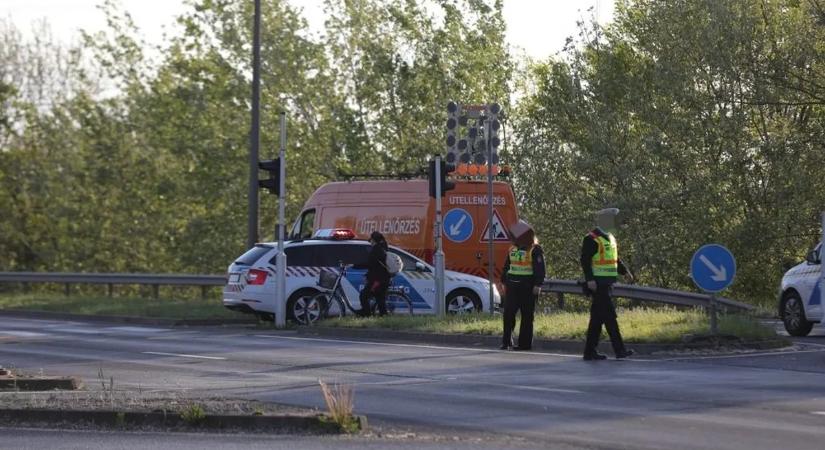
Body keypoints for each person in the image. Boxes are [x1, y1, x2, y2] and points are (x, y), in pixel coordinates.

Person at [581, 208, 635, 360]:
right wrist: (590, 279)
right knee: (610, 317)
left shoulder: (610, 238)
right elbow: (585, 261)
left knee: (597, 320)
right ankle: (620, 350)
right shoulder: (591, 238)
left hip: (607, 283)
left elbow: (615, 259)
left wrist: (625, 272)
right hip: (597, 284)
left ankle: (589, 352)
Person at [500, 220, 546, 351]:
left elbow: (540, 268)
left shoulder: (535, 249)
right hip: (512, 287)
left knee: (527, 317)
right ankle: (506, 341)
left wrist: (538, 284)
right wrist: (503, 281)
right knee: (508, 314)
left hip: (527, 287)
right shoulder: (512, 249)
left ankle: (524, 344)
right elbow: (506, 266)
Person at [359, 231, 390, 317]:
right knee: (380, 299)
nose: (370, 242)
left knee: (363, 295)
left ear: (374, 240)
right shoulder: (384, 248)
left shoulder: (377, 250)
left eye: (371, 240)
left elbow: (370, 264)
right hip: (383, 279)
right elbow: (377, 266)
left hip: (377, 280)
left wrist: (354, 265)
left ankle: (367, 314)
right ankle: (383, 316)